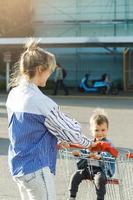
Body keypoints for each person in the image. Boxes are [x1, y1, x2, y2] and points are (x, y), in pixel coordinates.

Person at [6, 39, 97, 200]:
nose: (51, 74)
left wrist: (53, 141)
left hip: (18, 166)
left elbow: (26, 131)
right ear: (40, 69)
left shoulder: (14, 94)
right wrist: (91, 144)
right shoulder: (40, 102)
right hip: (36, 168)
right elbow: (72, 132)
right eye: (50, 71)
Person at [68, 108, 116, 200]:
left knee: (100, 179)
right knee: (76, 175)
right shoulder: (89, 143)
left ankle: (100, 198)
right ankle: (72, 196)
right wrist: (79, 154)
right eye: (96, 130)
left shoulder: (108, 144)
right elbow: (84, 153)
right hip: (88, 169)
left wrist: (99, 156)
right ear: (91, 130)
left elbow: (110, 155)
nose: (100, 133)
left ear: (107, 130)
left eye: (103, 130)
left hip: (101, 170)